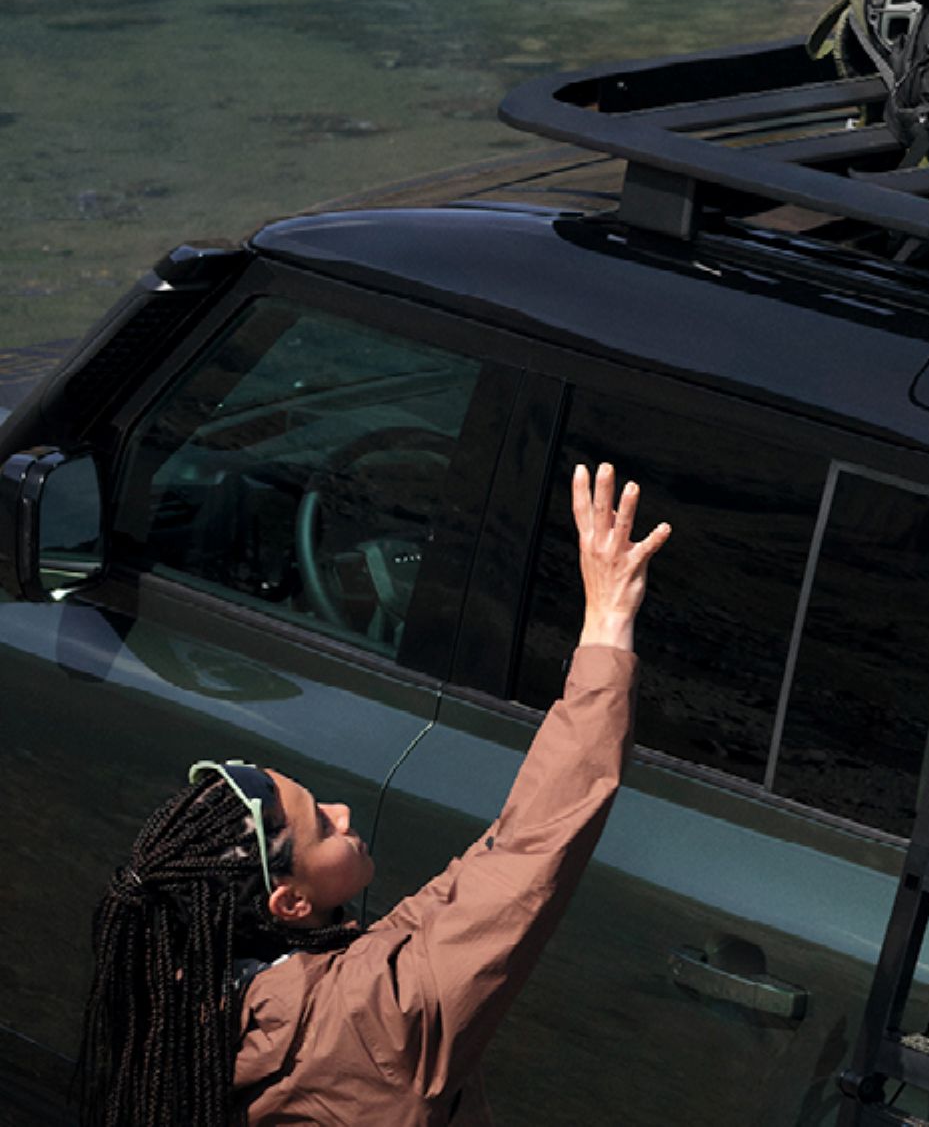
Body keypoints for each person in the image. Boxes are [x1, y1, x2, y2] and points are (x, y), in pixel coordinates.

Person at [77, 461, 669, 1127]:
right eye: (322, 828)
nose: (342, 813)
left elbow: (462, 894)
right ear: (289, 903)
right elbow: (528, 859)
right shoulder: (375, 1024)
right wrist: (607, 625)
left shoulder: (191, 992)